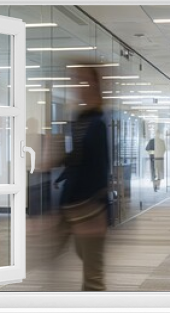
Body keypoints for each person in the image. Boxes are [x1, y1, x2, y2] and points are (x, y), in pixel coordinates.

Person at [54, 67, 109, 291]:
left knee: (93, 275)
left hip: (88, 207)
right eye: (76, 82)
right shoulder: (80, 120)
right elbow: (76, 159)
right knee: (71, 254)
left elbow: (99, 167)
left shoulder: (97, 124)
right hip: (72, 203)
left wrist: (98, 208)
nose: (77, 88)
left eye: (84, 83)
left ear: (96, 88)